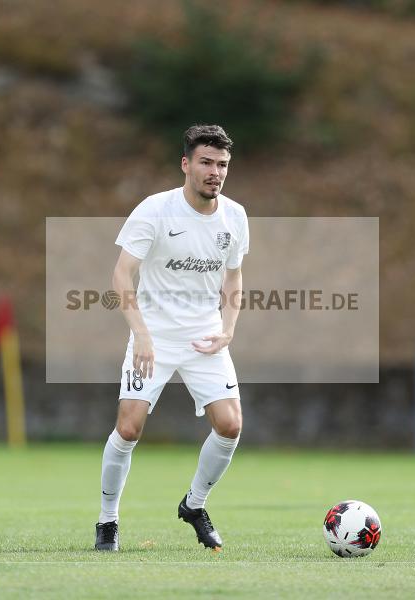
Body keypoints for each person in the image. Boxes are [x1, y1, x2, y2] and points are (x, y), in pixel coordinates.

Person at [94, 124, 249, 551]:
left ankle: (194, 505)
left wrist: (228, 329)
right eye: (206, 162)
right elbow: (121, 274)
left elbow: (233, 278)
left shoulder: (234, 216)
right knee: (129, 428)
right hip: (154, 335)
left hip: (204, 337)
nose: (214, 172)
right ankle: (107, 521)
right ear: (186, 164)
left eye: (221, 165)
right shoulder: (155, 211)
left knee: (231, 425)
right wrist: (141, 334)